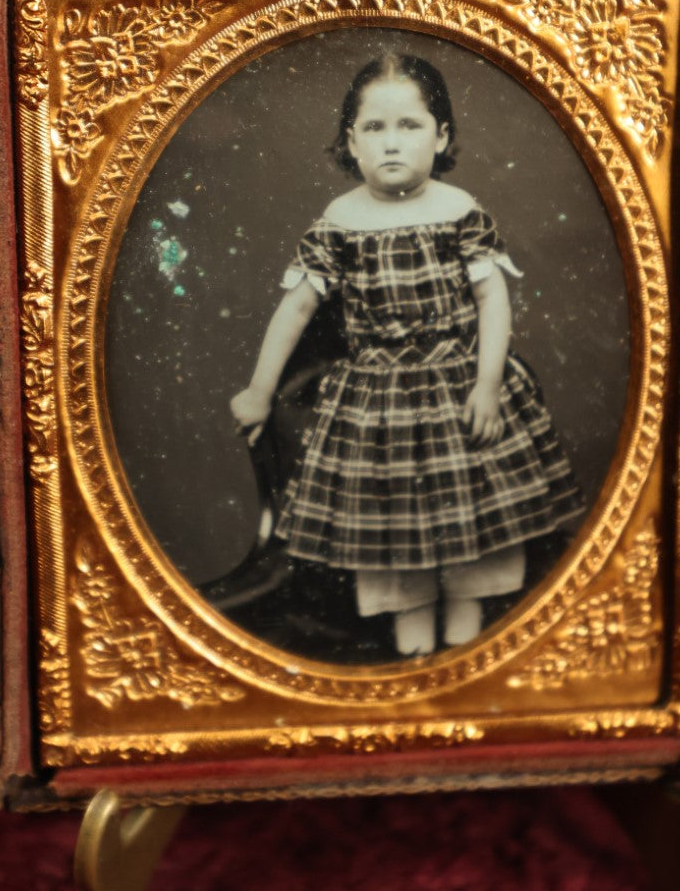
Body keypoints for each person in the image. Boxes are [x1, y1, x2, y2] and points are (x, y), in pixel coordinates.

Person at [230, 53, 584, 656]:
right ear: (352, 142)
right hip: (378, 399)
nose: (392, 143)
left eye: (410, 126)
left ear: (441, 135)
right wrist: (260, 390)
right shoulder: (338, 224)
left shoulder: (458, 211)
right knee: (392, 527)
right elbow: (295, 309)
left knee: (471, 515)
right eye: (375, 128)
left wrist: (487, 384)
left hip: (458, 384)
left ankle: (467, 643)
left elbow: (492, 299)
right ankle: (413, 649)